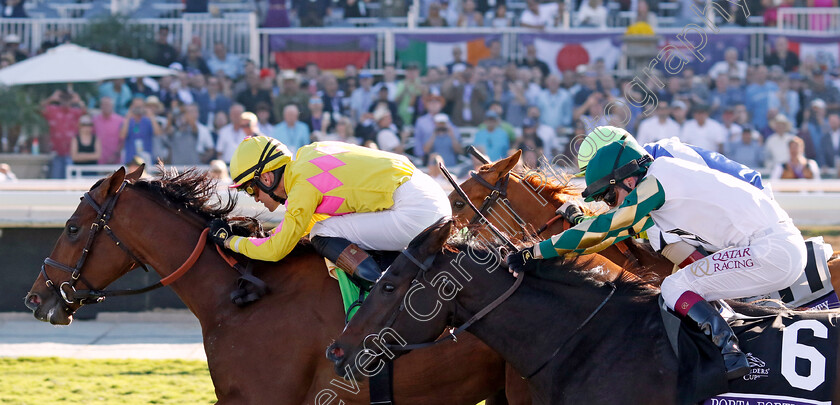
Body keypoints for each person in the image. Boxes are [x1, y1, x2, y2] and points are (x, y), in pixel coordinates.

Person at [508, 138, 806, 381]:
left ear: (628, 178)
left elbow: (607, 228)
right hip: (771, 249)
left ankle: (728, 352)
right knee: (687, 286)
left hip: (771, 250)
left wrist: (536, 251)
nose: (611, 204)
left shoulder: (661, 178)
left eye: (610, 197)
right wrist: (574, 221)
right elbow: (614, 232)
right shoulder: (659, 195)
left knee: (675, 287)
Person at [209, 136, 452, 287]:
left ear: (267, 177)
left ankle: (380, 290)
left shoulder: (302, 186)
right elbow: (293, 232)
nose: (256, 199)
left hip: (417, 211)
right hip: (428, 195)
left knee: (322, 230)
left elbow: (276, 249)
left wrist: (231, 241)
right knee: (326, 227)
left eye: (251, 190)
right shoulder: (310, 155)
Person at [93, 96, 125, 164]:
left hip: (116, 161)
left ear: (112, 106)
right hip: (99, 161)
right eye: (104, 104)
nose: (106, 106)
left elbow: (123, 140)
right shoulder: (95, 121)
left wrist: (115, 155)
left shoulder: (120, 120)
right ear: (101, 106)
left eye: (108, 104)